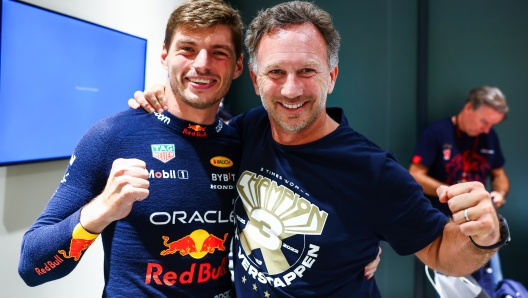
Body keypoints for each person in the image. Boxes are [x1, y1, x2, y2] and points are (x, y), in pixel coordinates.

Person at [130, 1, 509, 297]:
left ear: (332, 75)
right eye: (276, 72)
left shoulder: (372, 171)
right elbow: (198, 121)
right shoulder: (248, 129)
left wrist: (484, 235)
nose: (291, 90)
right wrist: (163, 97)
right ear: (256, 79)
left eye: (307, 71)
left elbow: (443, 252)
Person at [18, 0, 245, 296]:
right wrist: (101, 211)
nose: (202, 63)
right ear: (165, 55)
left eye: (219, 53)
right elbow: (32, 266)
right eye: (187, 49)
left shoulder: (240, 144)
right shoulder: (111, 136)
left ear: (238, 65)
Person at [409, 85, 510, 296]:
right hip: (446, 226)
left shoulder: (489, 137)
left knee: (493, 285)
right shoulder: (437, 132)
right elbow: (415, 174)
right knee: (454, 289)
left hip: (482, 224)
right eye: (484, 121)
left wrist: (499, 193)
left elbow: (499, 175)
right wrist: (449, 191)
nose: (487, 129)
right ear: (469, 107)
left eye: (492, 124)